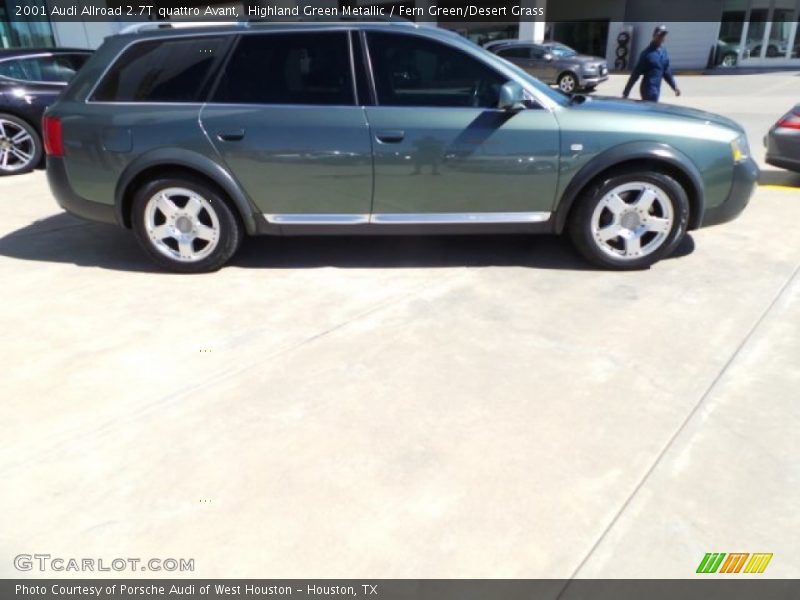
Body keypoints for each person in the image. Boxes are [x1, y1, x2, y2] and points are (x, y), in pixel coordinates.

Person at [623, 25, 681, 102]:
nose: (661, 38)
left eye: (663, 35)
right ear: (654, 36)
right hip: (648, 89)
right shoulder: (646, 54)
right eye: (659, 35)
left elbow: (667, 72)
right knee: (651, 109)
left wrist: (674, 87)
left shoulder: (663, 52)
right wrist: (626, 92)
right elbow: (635, 74)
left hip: (657, 88)